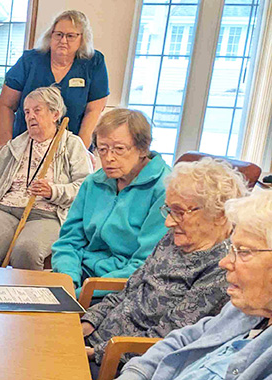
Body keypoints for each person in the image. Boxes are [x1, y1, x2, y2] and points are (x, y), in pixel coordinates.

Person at [82, 158, 246, 377]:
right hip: (97, 339)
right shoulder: (174, 239)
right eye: (169, 210)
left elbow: (169, 338)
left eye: (179, 212)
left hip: (121, 361)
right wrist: (87, 323)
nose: (168, 222)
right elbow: (129, 290)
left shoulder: (222, 268)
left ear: (218, 215)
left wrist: (95, 352)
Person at [116, 189, 272, 380]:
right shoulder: (246, 309)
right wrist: (135, 374)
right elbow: (182, 339)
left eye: (243, 251)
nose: (224, 263)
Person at [0, 86, 92, 269]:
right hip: (5, 209)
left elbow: (86, 189)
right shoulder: (18, 143)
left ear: (55, 114)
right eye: (26, 112)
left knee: (27, 250)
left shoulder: (72, 145)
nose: (30, 116)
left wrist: (53, 191)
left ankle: (22, 297)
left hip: (48, 215)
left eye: (37, 110)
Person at [51, 108, 171, 297]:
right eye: (103, 149)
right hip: (81, 275)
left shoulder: (164, 189)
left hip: (124, 286)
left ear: (143, 148)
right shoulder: (93, 182)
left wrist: (84, 293)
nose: (109, 158)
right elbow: (68, 241)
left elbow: (145, 264)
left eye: (119, 149)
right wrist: (67, 280)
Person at [0, 10, 108, 148]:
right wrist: (5, 146)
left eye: (71, 36)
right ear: (51, 36)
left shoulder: (94, 62)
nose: (63, 40)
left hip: (70, 147)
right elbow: (6, 104)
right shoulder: (30, 60)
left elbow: (94, 110)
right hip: (25, 145)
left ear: (82, 38)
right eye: (58, 34)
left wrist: (80, 151)